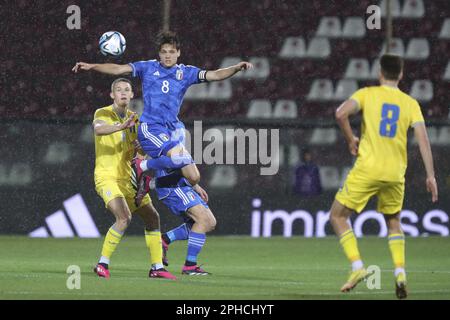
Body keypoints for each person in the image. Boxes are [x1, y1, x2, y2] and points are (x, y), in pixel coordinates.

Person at [72, 31, 253, 201]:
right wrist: (92, 66)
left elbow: (215, 75)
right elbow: (118, 69)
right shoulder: (147, 68)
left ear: (178, 53)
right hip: (151, 127)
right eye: (164, 52)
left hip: (172, 128)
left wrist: (236, 68)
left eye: (172, 52)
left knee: (193, 177)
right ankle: (141, 166)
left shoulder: (186, 72)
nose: (168, 55)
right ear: (159, 54)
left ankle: (149, 183)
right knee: (176, 158)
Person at [329, 54, 438, 299]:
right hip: (395, 173)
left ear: (380, 73)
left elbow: (340, 114)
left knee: (337, 215)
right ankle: (400, 273)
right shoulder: (410, 103)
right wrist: (430, 176)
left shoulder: (367, 94)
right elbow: (423, 140)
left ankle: (357, 267)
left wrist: (350, 140)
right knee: (393, 222)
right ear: (400, 74)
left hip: (367, 167)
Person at [92, 78, 176, 280]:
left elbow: (139, 155)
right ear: (112, 95)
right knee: (124, 217)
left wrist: (141, 150)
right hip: (107, 177)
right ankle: (102, 264)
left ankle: (156, 267)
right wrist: (121, 126)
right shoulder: (102, 113)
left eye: (126, 90)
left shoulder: (136, 120)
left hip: (128, 180)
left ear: (131, 95)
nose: (122, 92)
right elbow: (98, 129)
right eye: (118, 90)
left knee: (152, 217)